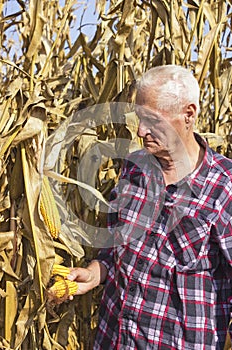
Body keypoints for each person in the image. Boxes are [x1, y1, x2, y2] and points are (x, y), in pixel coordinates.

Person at [68, 65, 232, 349]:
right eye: (139, 118)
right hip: (114, 340)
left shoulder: (224, 188)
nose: (141, 130)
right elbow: (115, 246)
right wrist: (96, 272)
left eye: (152, 120)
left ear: (188, 115)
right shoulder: (134, 167)